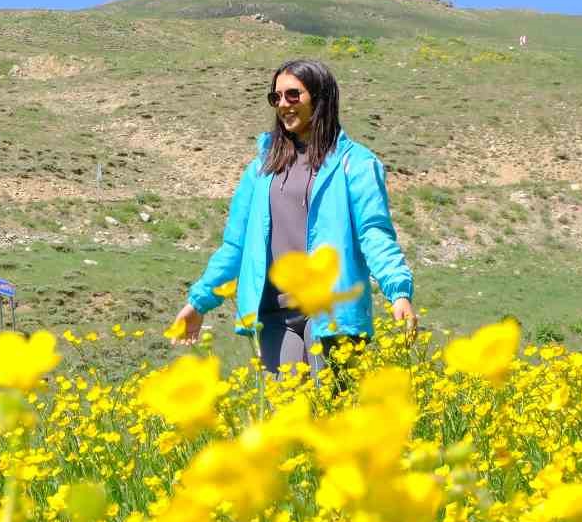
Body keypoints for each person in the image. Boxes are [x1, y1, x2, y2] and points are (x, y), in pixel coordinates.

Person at [169, 58, 415, 377]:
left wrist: (399, 291)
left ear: (320, 97)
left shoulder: (355, 164)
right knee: (284, 419)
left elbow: (374, 233)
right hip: (275, 315)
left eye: (293, 95)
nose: (283, 104)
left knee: (330, 418)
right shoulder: (260, 169)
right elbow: (235, 246)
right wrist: (198, 302)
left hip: (331, 313)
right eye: (277, 97)